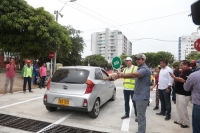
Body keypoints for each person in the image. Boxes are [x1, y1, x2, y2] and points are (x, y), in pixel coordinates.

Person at [112, 53, 150, 133]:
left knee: (141, 117)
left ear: (144, 60)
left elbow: (133, 75)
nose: (137, 61)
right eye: (136, 59)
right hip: (137, 94)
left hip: (142, 96)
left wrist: (121, 75)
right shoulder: (139, 68)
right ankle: (140, 131)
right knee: (140, 116)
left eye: (139, 59)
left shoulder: (144, 69)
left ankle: (141, 131)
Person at [170, 60, 192, 128]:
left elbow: (183, 80)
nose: (180, 66)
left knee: (183, 108)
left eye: (181, 65)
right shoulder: (183, 71)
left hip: (184, 93)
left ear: (186, 65)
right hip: (179, 92)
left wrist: (174, 77)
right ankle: (180, 120)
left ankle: (186, 122)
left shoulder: (189, 72)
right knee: (178, 108)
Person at [120, 57, 138, 121]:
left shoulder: (135, 68)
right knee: (126, 102)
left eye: (128, 61)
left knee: (135, 103)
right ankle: (127, 114)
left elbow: (134, 76)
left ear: (131, 61)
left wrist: (124, 75)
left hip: (133, 89)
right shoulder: (124, 69)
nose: (126, 62)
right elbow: (122, 76)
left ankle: (137, 116)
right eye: (126, 61)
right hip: (125, 88)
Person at [183, 64, 200, 133]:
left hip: (198, 105)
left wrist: (188, 81)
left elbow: (186, 88)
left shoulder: (194, 75)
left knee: (197, 127)